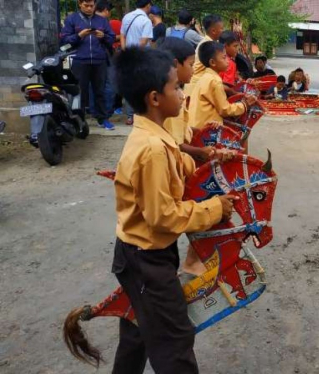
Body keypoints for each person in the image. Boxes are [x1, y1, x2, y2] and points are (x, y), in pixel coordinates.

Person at [111, 46, 236, 373]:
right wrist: (214, 208)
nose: (183, 93)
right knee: (174, 340)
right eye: (176, 87)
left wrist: (206, 158)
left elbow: (177, 163)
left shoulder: (155, 136)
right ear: (155, 98)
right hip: (146, 259)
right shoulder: (152, 149)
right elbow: (163, 217)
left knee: (138, 329)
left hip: (142, 255)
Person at [159, 37, 236, 276]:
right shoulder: (168, 102)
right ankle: (193, 261)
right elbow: (173, 144)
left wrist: (207, 148)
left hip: (190, 158)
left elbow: (185, 131)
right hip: (180, 166)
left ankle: (194, 258)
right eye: (191, 64)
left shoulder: (183, 90)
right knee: (210, 200)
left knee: (212, 199)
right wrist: (201, 151)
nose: (194, 69)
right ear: (174, 64)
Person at [60, 0, 116, 130]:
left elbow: (111, 38)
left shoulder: (102, 21)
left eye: (92, 6)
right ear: (80, 4)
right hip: (80, 60)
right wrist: (79, 35)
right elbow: (64, 40)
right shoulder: (71, 19)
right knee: (80, 92)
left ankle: (103, 119)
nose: (89, 8)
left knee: (100, 91)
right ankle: (80, 120)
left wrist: (103, 36)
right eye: (86, 5)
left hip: (99, 60)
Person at [188, 41, 257, 129]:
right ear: (213, 62)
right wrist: (244, 105)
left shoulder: (205, 76)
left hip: (196, 124)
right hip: (206, 129)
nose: (227, 61)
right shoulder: (215, 81)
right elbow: (224, 110)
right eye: (224, 58)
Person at [120, 0, 154, 126]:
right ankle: (140, 114)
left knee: (130, 86)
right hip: (141, 58)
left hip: (128, 57)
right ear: (148, 5)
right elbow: (144, 41)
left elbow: (122, 35)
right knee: (143, 86)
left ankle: (130, 117)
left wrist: (125, 52)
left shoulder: (127, 17)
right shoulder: (146, 21)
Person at [189, 14, 224, 89]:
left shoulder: (208, 42)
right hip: (197, 85)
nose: (223, 31)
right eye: (221, 28)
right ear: (213, 31)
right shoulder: (209, 46)